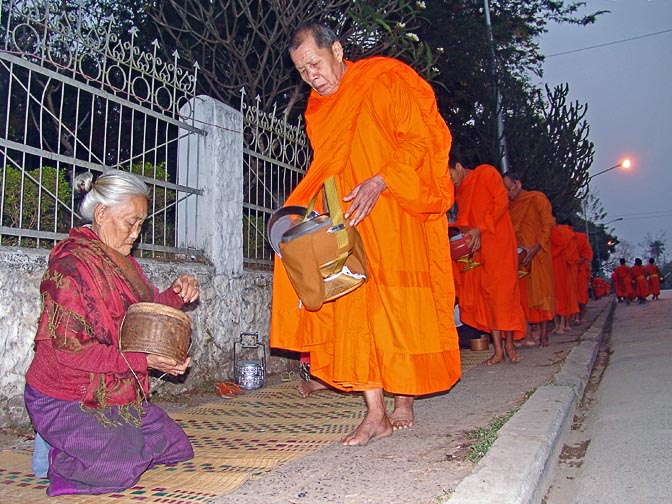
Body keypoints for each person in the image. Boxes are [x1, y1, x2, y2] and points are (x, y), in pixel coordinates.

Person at [270, 23, 461, 446]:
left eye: (315, 63)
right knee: (354, 306)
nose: (312, 76)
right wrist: (309, 223)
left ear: (337, 50)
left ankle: (404, 398)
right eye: (302, 71)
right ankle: (375, 413)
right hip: (349, 218)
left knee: (398, 306)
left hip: (395, 211)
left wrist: (380, 180)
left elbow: (418, 141)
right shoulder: (316, 111)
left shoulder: (384, 79)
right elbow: (327, 169)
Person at [24, 170, 199, 496]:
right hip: (66, 394)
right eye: (129, 222)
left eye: (140, 224)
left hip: (110, 388)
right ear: (102, 214)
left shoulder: (121, 261)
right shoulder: (71, 267)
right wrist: (145, 361)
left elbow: (142, 314)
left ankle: (93, 442)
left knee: (174, 445)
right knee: (118, 469)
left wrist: (175, 294)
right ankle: (55, 453)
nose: (135, 233)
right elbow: (73, 352)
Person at [449, 157, 527, 365]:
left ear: (458, 165)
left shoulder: (486, 173)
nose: (451, 181)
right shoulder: (461, 191)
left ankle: (509, 345)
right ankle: (498, 349)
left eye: (451, 176)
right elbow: (466, 220)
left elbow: (501, 202)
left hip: (499, 242)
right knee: (488, 298)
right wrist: (466, 238)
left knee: (504, 295)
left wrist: (479, 229)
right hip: (479, 249)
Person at [502, 172, 556, 347]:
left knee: (541, 293)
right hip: (519, 256)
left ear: (518, 184)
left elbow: (548, 224)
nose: (507, 193)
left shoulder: (537, 198)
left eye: (509, 189)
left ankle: (544, 336)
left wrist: (537, 247)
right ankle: (527, 334)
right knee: (523, 297)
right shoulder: (508, 208)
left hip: (538, 253)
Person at [550, 220, 580, 333]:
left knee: (560, 295)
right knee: (554, 295)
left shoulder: (560, 232)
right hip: (555, 266)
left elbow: (562, 248)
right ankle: (558, 324)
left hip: (559, 265)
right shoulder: (548, 230)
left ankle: (561, 324)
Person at [573, 230, 593, 323]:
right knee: (578, 295)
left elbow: (586, 254)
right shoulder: (573, 238)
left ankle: (579, 316)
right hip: (574, 270)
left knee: (581, 295)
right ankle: (578, 316)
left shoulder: (580, 238)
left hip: (578, 271)